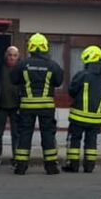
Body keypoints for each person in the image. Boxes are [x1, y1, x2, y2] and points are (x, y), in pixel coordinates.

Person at [10, 33, 64, 175]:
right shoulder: (52, 65)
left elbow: (13, 79)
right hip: (46, 107)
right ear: (45, 47)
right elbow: (59, 81)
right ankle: (51, 166)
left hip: (27, 106)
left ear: (31, 47)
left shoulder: (22, 64)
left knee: (25, 135)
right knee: (48, 135)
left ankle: (21, 166)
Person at [64, 45, 101, 173]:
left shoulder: (82, 75)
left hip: (78, 117)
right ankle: (89, 166)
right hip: (96, 119)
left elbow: (72, 91)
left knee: (75, 140)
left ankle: (73, 165)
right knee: (91, 143)